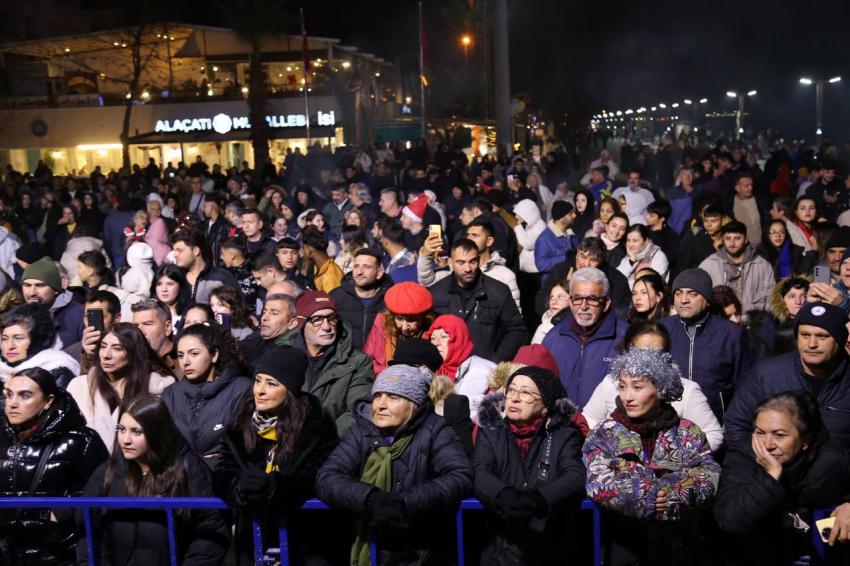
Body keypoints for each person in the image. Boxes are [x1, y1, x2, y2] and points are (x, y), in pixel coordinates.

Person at [316, 364, 473, 566]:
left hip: (419, 550)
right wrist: (370, 498)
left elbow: (460, 475)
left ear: (413, 404)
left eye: (393, 397)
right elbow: (328, 476)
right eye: (377, 396)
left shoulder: (435, 430)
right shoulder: (360, 431)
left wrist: (406, 503)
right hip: (367, 543)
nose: (380, 405)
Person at [583, 348, 720, 565]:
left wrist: (675, 493)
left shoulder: (687, 432)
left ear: (661, 389)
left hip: (676, 548)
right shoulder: (604, 433)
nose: (627, 397)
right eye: (622, 386)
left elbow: (708, 474)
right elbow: (597, 482)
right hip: (623, 546)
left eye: (637, 387)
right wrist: (648, 497)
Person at [218, 345, 338, 565]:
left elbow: (318, 475)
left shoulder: (315, 426)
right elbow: (222, 472)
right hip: (252, 541)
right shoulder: (239, 422)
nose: (260, 390)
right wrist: (239, 487)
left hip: (302, 541)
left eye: (271, 384)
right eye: (258, 381)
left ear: (289, 390)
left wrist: (275, 488)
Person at [79, 396, 230, 565]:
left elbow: (211, 529)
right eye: (121, 429)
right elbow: (86, 527)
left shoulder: (188, 469)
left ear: (157, 432)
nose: (125, 440)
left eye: (136, 432)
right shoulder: (108, 470)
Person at [715, 391, 850, 565]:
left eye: (779, 435)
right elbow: (730, 520)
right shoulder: (743, 455)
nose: (767, 445)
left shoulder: (833, 458)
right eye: (760, 432)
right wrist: (770, 476)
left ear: (805, 440)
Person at [474, 365, 586, 565]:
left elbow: (575, 476)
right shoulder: (490, 431)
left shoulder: (564, 435)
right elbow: (479, 471)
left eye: (525, 393)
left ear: (545, 406)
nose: (515, 398)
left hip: (550, 545)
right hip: (500, 545)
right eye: (511, 391)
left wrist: (541, 498)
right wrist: (502, 495)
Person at [0, 368, 108, 565]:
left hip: (57, 553)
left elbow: (103, 489)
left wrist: (60, 512)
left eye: (25, 396)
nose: (13, 403)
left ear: (48, 400)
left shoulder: (81, 440)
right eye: (9, 394)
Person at [583, 321, 724, 451]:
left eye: (657, 354)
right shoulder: (610, 383)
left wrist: (674, 456)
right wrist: (605, 446)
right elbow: (589, 419)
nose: (649, 359)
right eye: (641, 353)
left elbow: (713, 435)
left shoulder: (687, 390)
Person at [725, 302, 850, 446]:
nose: (812, 344)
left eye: (822, 336)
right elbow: (736, 423)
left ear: (839, 340)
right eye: (805, 335)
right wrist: (756, 457)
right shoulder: (766, 375)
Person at [275, 290, 373, 435]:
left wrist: (324, 438)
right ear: (301, 323)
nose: (326, 327)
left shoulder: (357, 362)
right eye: (317, 320)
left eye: (331, 318)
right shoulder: (281, 355)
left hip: (331, 440)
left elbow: (358, 409)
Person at [67, 322, 175, 450]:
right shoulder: (79, 387)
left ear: (133, 352)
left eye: (117, 348)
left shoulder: (156, 392)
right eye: (103, 346)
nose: (106, 355)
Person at [660, 269, 750, 420]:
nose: (684, 300)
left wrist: (733, 422)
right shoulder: (662, 329)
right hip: (669, 422)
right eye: (678, 293)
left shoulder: (731, 334)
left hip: (716, 422)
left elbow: (744, 386)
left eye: (692, 294)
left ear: (707, 300)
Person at [163, 323, 251, 470]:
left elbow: (244, 446)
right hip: (180, 476)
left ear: (214, 355)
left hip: (224, 477)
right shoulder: (171, 394)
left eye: (194, 353)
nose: (185, 362)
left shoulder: (241, 389)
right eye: (181, 355)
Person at [429, 239, 527, 362]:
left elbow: (516, 330)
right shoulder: (436, 292)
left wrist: (495, 361)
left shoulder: (498, 291)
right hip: (446, 367)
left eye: (472, 262)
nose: (468, 268)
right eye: (461, 262)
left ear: (479, 261)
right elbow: (428, 331)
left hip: (485, 367)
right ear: (450, 262)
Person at [543, 267, 628, 407]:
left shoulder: (625, 337)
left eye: (592, 299)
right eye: (577, 298)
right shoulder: (553, 338)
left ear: (606, 303)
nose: (583, 306)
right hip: (561, 419)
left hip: (607, 419)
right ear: (570, 302)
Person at [424, 314, 496, 423]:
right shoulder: (425, 371)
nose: (436, 343)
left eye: (443, 337)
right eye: (433, 338)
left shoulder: (485, 371)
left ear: (459, 338)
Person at [699, 220, 775, 312]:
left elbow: (771, 299)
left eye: (737, 238)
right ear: (723, 240)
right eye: (728, 238)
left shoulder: (762, 265)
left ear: (746, 240)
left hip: (753, 319)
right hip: (721, 319)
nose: (732, 243)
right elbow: (699, 298)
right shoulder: (709, 265)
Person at [0, 303, 80, 388]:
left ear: (40, 340)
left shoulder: (58, 369)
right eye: (4, 339)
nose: (10, 346)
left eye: (19, 338)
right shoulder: (2, 371)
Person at [363, 281, 435, 375]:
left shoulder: (435, 332)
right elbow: (367, 362)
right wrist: (392, 374)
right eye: (399, 319)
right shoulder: (382, 324)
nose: (405, 327)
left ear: (424, 317)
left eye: (411, 320)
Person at [330, 248, 392, 350]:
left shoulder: (391, 298)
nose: (359, 272)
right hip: (345, 358)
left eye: (366, 267)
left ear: (379, 273)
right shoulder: (336, 296)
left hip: (379, 359)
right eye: (356, 266)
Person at [21, 256, 84, 347]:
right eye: (27, 285)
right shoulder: (16, 316)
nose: (32, 293)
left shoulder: (79, 316)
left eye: (40, 285)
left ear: (56, 289)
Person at [170, 229, 239, 305]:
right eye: (174, 251)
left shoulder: (222, 277)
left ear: (196, 251)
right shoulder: (175, 277)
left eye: (179, 250)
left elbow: (237, 307)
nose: (175, 255)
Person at [616, 224, 669, 288]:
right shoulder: (631, 255)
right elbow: (617, 277)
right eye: (628, 240)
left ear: (646, 241)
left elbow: (652, 284)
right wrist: (631, 262)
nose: (630, 244)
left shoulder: (658, 257)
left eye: (635, 241)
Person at [131, 299, 177, 371]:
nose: (139, 330)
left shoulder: (183, 361)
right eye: (136, 326)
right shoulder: (133, 361)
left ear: (167, 327)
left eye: (147, 324)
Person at [534, 201, 577, 275]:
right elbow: (541, 265)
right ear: (561, 217)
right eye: (570, 213)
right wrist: (566, 257)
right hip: (554, 280)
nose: (574, 215)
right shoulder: (544, 239)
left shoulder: (570, 233)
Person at [301, 225, 344, 292]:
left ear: (309, 250)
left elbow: (331, 298)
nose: (303, 252)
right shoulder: (316, 269)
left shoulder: (330, 276)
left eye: (303, 248)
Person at [513, 198, 547, 274]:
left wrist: (518, 227)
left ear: (527, 213)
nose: (516, 216)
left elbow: (528, 245)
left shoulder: (539, 227)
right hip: (530, 266)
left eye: (518, 214)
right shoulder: (533, 224)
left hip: (533, 269)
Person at [532, 279, 570, 344]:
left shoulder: (580, 327)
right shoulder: (542, 328)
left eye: (560, 297)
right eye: (552, 297)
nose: (554, 302)